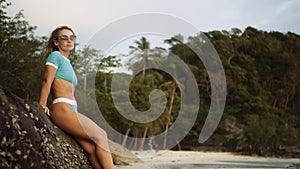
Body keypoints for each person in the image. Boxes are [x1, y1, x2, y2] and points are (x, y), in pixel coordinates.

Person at [39, 25, 114, 169]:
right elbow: (47, 80)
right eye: (64, 38)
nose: (69, 40)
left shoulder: (67, 62)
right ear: (56, 42)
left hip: (71, 109)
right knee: (101, 135)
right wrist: (42, 104)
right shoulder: (55, 56)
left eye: (72, 37)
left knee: (91, 148)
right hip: (62, 107)